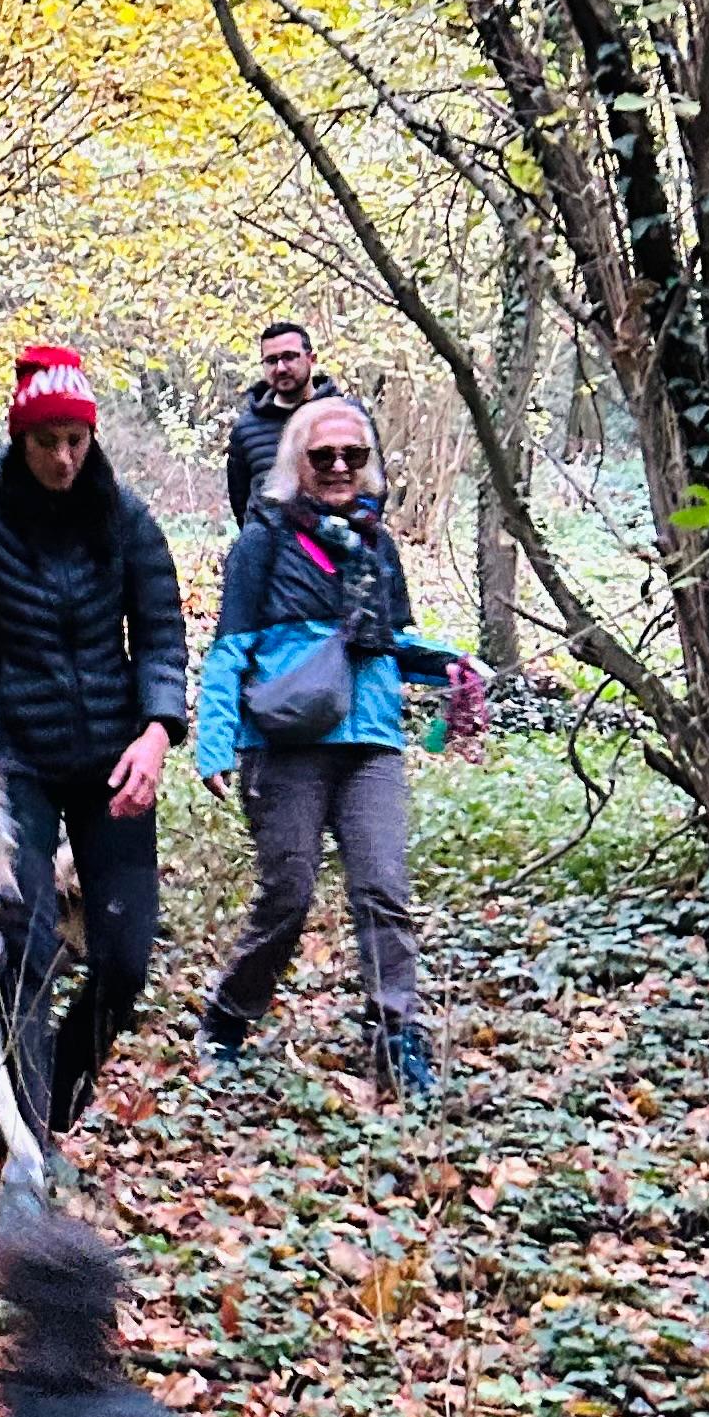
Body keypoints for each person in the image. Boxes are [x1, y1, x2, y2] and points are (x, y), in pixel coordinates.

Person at [0, 346, 189, 1164]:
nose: (64, 458)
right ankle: (29, 1149)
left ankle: (54, 1096)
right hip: (15, 762)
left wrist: (157, 732)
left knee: (126, 960)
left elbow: (162, 637)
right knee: (27, 949)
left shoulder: (128, 520)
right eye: (47, 442)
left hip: (113, 759)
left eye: (77, 440)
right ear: (20, 440)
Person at [196, 394, 481, 1099]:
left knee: (384, 890)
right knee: (287, 896)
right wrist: (215, 743)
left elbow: (391, 641)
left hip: (372, 740)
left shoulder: (377, 544)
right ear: (296, 460)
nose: (338, 467)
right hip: (284, 740)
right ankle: (228, 1016)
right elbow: (230, 649)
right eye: (322, 455)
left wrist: (450, 664)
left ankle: (398, 1038)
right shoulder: (263, 541)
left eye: (353, 455)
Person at [226, 321, 339, 525]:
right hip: (269, 542)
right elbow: (240, 503)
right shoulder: (246, 430)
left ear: (311, 359)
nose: (280, 368)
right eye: (271, 360)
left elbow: (371, 486)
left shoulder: (345, 418)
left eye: (289, 357)